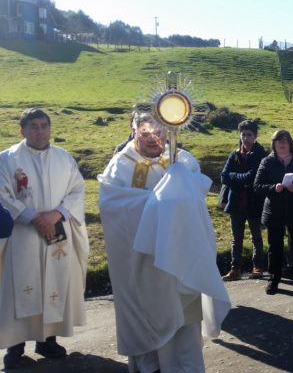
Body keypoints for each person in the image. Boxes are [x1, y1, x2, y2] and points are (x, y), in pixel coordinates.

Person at [98, 112, 230, 372]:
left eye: (158, 133)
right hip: (143, 262)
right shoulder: (121, 165)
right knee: (147, 322)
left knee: (184, 324)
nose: (152, 139)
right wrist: (158, 206)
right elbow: (112, 205)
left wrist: (169, 199)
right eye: (145, 133)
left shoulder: (181, 160)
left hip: (180, 261)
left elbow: (194, 197)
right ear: (133, 129)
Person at [0, 108, 88, 370]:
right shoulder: (7, 159)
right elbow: (2, 194)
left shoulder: (64, 158)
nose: (40, 131)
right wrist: (33, 217)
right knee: (20, 287)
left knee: (54, 282)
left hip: (57, 231)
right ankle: (15, 348)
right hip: (22, 233)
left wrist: (55, 215)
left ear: (50, 128)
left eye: (44, 126)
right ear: (22, 130)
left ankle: (47, 340)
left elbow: (76, 190)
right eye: (34, 126)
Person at [255, 130, 293, 295]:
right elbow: (257, 186)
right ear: (273, 144)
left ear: (290, 143)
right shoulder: (266, 162)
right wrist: (274, 187)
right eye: (278, 141)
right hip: (274, 211)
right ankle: (274, 279)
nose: (282, 144)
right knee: (275, 247)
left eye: (285, 141)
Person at [220, 120, 268, 281]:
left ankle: (258, 266)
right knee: (236, 238)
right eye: (243, 134)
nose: (245, 138)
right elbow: (224, 176)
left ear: (255, 136)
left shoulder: (261, 154)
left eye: (249, 135)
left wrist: (235, 177)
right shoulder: (234, 154)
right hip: (236, 203)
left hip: (253, 202)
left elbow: (252, 176)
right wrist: (240, 178)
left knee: (256, 236)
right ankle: (235, 269)